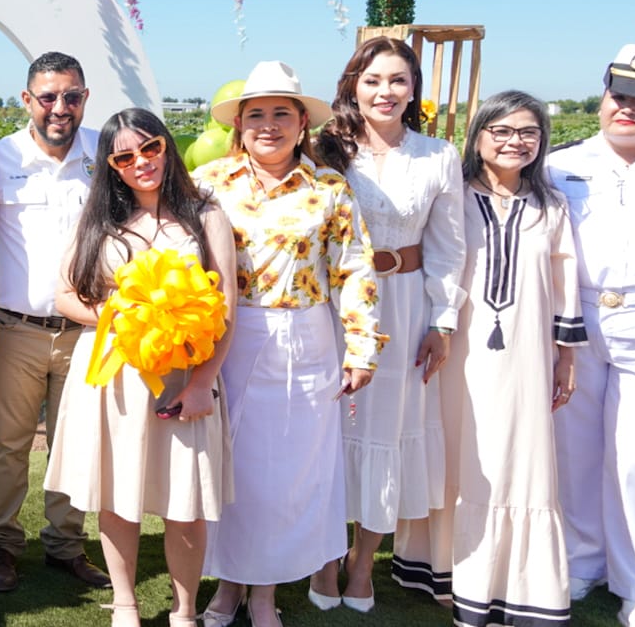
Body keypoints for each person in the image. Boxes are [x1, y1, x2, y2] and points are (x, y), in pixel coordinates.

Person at [195, 60, 385, 627]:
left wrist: (362, 349)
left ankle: (264, 594)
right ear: (239, 125)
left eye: (282, 113)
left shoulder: (329, 189)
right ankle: (227, 586)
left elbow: (355, 270)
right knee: (236, 470)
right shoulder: (210, 185)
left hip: (307, 339)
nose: (269, 125)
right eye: (257, 114)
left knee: (289, 475)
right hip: (230, 338)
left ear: (303, 122)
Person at [391, 90, 580, 625]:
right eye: (501, 130)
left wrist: (565, 357)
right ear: (477, 137)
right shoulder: (452, 198)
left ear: (541, 142)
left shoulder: (551, 207)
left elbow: (564, 284)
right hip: (457, 353)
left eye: (528, 132)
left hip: (525, 357)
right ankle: (444, 569)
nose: (515, 141)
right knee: (456, 450)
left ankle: (514, 581)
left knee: (519, 458)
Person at [45, 108, 237, 627]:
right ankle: (125, 605)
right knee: (117, 494)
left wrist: (202, 384)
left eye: (150, 148)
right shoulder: (99, 221)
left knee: (186, 501)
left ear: (167, 146)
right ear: (112, 165)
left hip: (185, 378)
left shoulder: (207, 215)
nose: (141, 162)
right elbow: (64, 295)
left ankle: (184, 611)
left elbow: (226, 313)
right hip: (116, 377)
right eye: (125, 156)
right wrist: (118, 316)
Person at [311, 38, 466, 610]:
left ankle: (360, 566)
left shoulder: (437, 156)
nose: (385, 91)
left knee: (387, 431)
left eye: (398, 80)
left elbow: (449, 248)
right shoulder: (324, 152)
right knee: (329, 431)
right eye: (373, 79)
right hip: (330, 305)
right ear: (354, 83)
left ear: (413, 89)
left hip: (404, 307)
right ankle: (323, 562)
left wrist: (443, 319)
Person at [550, 44, 635, 627]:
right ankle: (584, 563)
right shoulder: (560, 166)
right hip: (575, 326)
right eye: (619, 95)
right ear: (604, 94)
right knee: (576, 455)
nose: (628, 109)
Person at [0, 52, 112, 593]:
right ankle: (3, 547)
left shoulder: (106, 151)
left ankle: (65, 545)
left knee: (75, 442)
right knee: (8, 444)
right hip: (16, 327)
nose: (61, 108)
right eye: (50, 96)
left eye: (73, 96)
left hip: (87, 331)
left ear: (85, 98)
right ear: (27, 100)